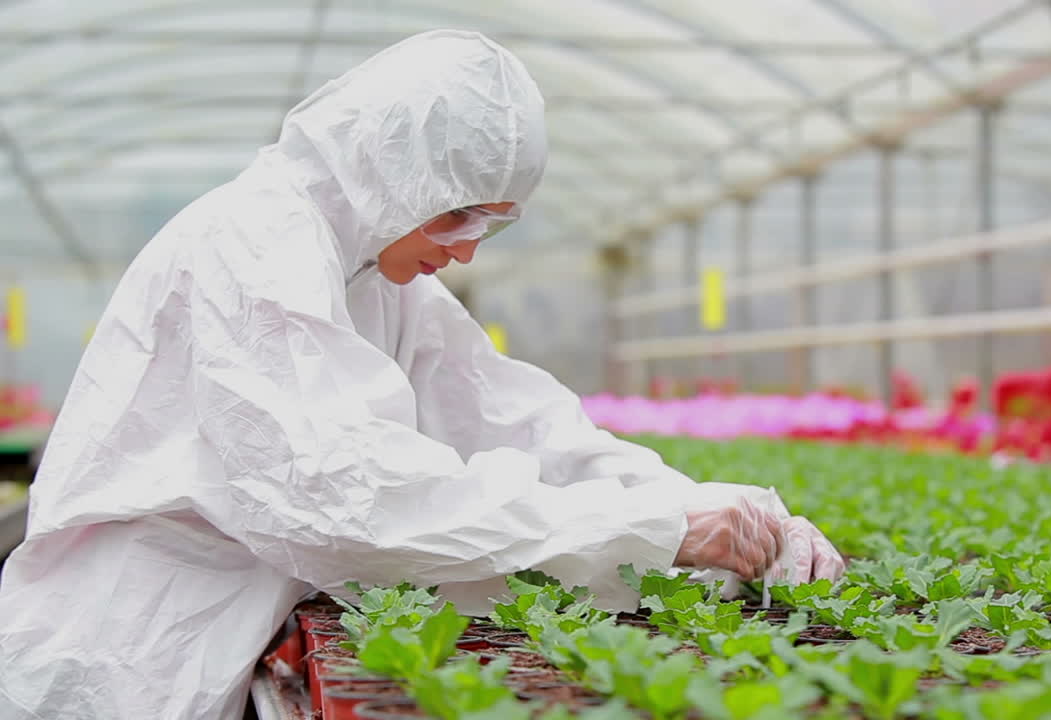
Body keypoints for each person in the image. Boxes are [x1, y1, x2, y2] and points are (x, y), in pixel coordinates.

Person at [0, 30, 844, 719]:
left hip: (213, 638)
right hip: (129, 663)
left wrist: (722, 513)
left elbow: (520, 422)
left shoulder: (374, 270)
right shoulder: (254, 249)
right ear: (386, 170)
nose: (468, 247)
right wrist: (656, 528)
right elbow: (349, 504)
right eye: (456, 213)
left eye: (494, 223)